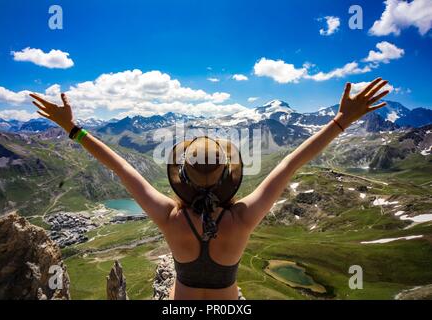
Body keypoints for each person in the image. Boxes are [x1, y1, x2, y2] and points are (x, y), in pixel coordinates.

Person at [30, 77, 389, 300]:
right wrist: (341, 121)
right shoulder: (242, 218)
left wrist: (73, 129)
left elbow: (120, 167)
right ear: (227, 177)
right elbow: (290, 163)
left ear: (181, 179)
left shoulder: (170, 218)